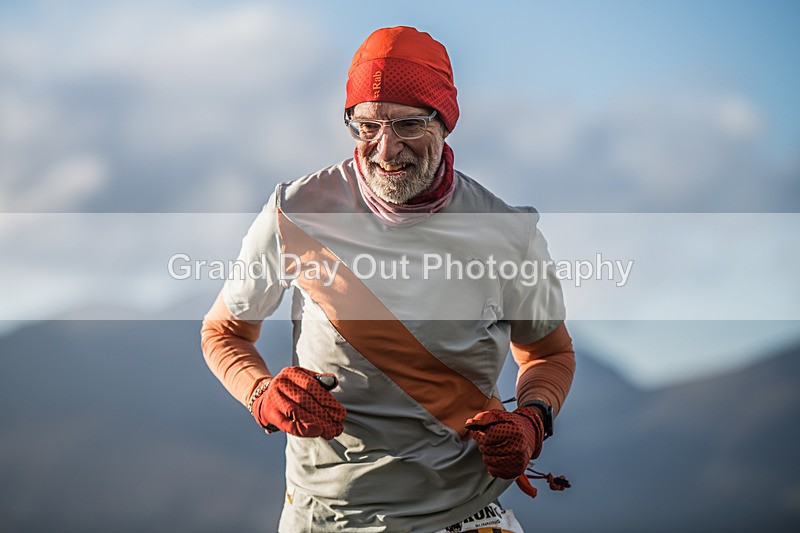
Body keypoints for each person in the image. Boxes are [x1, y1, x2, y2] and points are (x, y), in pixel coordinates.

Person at [201, 26, 575, 533]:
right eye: (365, 126)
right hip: (323, 517)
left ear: (444, 122)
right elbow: (223, 332)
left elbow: (549, 353)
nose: (385, 148)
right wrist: (262, 393)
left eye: (408, 125)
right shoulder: (296, 212)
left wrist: (533, 422)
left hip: (465, 514)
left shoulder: (508, 234)